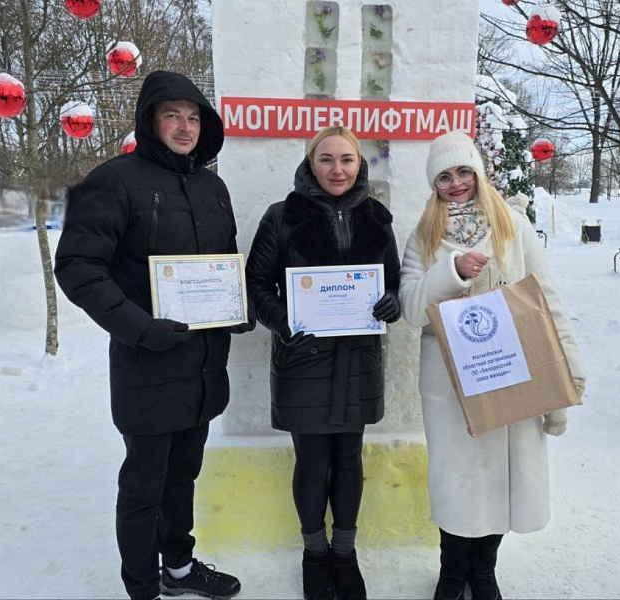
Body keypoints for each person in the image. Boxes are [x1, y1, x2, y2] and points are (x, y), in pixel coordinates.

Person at [54, 70, 253, 600]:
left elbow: (221, 264)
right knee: (144, 486)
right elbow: (77, 266)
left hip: (204, 364)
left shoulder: (213, 185)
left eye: (193, 117)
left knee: (182, 476)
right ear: (150, 120)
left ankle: (180, 571)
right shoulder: (113, 180)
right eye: (173, 116)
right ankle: (141, 587)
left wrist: (237, 307)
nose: (185, 127)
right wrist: (138, 328)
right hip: (148, 364)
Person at [398, 131, 586, 600]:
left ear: (479, 174)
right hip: (451, 384)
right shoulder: (423, 237)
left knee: (503, 480)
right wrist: (452, 273)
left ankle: (483, 571)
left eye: (464, 171)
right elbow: (410, 310)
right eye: (445, 176)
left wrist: (567, 375)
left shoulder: (513, 227)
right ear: (434, 184)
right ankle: (451, 571)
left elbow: (548, 301)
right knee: (457, 482)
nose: (457, 183)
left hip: (512, 369)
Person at [245, 126, 402, 600]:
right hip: (303, 361)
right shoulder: (282, 217)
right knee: (312, 461)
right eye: (327, 159)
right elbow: (256, 286)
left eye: (347, 160)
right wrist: (284, 321)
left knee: (349, 458)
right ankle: (315, 554)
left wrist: (391, 302)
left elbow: (392, 281)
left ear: (360, 165)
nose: (338, 169)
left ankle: (345, 553)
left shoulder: (377, 217)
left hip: (358, 362)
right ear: (310, 163)